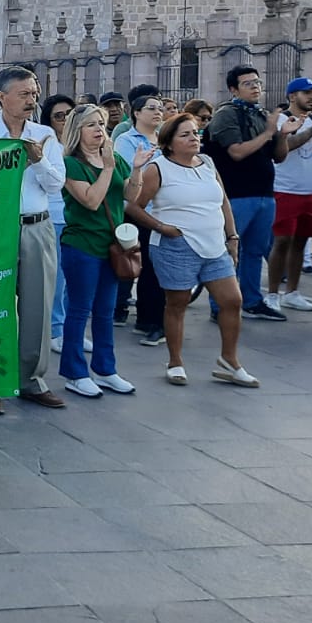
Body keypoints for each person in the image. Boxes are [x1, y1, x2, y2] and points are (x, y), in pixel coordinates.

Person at [130, 113, 257, 387]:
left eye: (195, 133)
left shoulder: (208, 163)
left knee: (232, 301)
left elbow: (222, 200)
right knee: (177, 303)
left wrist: (232, 237)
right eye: (185, 134)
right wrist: (161, 227)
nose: (193, 138)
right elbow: (133, 207)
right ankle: (175, 361)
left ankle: (229, 361)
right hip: (177, 246)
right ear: (170, 142)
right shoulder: (158, 168)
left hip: (214, 245)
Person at [0, 66, 68, 412]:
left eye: (34, 92)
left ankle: (32, 379)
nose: (32, 99)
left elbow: (56, 184)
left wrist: (37, 161)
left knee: (38, 305)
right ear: (2, 97)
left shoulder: (45, 135)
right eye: (24, 93)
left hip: (37, 226)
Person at [58, 105, 144, 398]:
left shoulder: (115, 158)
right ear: (77, 131)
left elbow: (131, 197)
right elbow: (91, 201)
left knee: (106, 311)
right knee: (80, 309)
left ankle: (106, 370)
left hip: (113, 245)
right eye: (91, 125)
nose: (99, 130)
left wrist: (136, 168)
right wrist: (107, 168)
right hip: (82, 244)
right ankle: (75, 372)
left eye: (101, 124)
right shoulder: (70, 164)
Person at [202, 66, 289, 323]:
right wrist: (268, 133)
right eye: (248, 83)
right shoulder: (226, 115)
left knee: (255, 250)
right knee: (231, 250)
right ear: (233, 89)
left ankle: (251, 300)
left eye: (257, 82)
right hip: (236, 195)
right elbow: (237, 152)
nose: (255, 87)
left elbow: (279, 156)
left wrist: (281, 135)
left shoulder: (261, 115)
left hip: (263, 194)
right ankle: (221, 304)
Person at [265, 79, 312, 314]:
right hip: (285, 189)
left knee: (301, 241)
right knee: (282, 241)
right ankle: (272, 294)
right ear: (292, 96)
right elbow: (288, 146)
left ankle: (293, 291)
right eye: (306, 93)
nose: (311, 97)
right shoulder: (280, 120)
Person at [114, 93, 167, 344]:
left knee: (156, 267)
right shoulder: (126, 141)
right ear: (136, 113)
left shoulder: (165, 140)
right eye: (151, 108)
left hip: (164, 208)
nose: (158, 112)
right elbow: (126, 178)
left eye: (160, 108)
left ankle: (152, 318)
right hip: (135, 209)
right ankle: (145, 319)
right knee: (141, 264)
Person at [38, 95, 76, 354]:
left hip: (80, 219)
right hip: (56, 215)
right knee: (58, 278)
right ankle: (56, 329)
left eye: (70, 114)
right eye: (59, 116)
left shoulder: (85, 144)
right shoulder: (49, 143)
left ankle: (70, 330)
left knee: (75, 280)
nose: (65, 120)